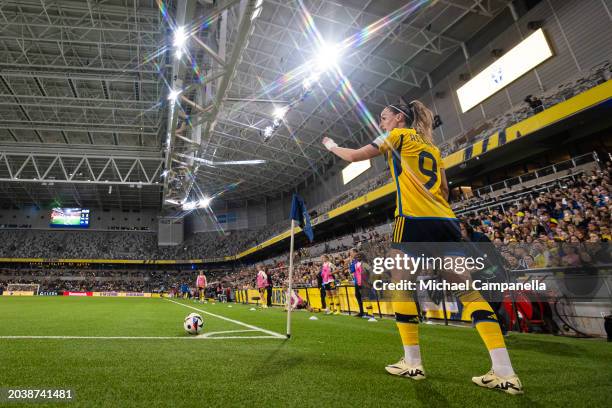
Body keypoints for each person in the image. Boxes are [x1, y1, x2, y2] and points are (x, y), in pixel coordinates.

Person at [322, 101, 522, 394]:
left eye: (384, 117)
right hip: (446, 222)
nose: (382, 123)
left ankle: (413, 361)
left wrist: (331, 146)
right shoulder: (432, 147)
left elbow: (354, 156)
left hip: (413, 221)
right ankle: (505, 371)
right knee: (469, 292)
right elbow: (443, 189)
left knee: (401, 286)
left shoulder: (397, 136)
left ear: (399, 118)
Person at [349, 248, 365, 317]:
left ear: (355, 252)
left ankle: (370, 313)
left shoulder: (360, 259)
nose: (350, 254)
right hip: (357, 281)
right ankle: (361, 312)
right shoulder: (353, 261)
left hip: (362, 280)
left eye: (351, 253)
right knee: (358, 296)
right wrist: (351, 262)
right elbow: (352, 270)